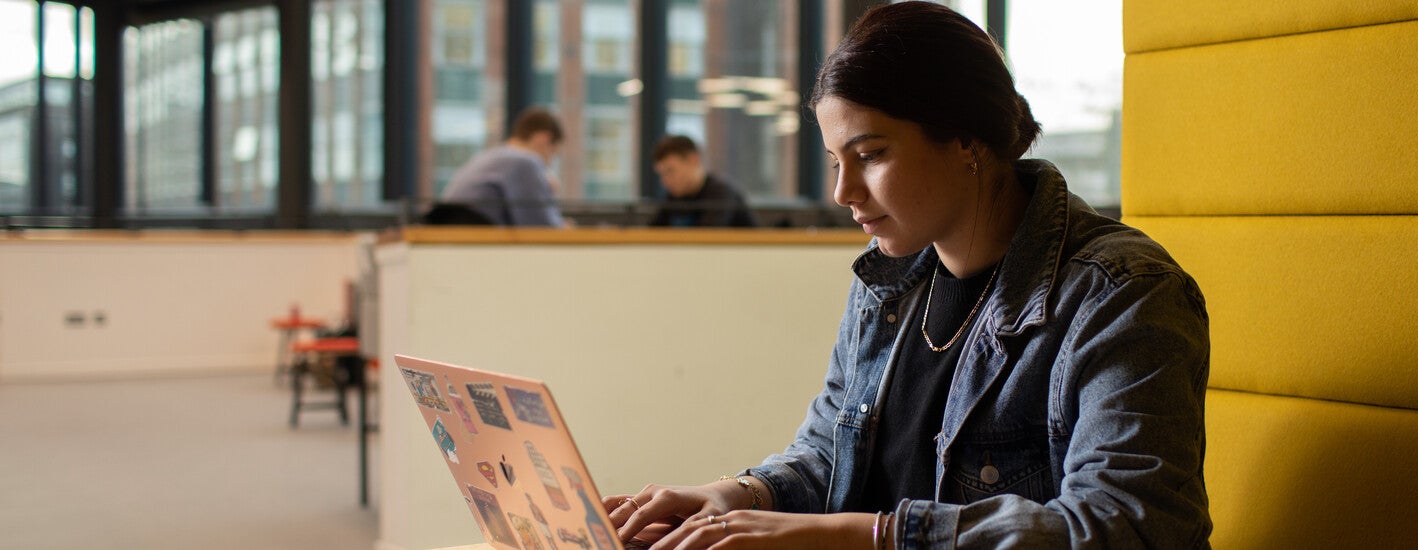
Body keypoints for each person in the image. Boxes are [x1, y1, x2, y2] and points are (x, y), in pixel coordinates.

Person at [605, 3, 1211, 549]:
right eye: (835, 161)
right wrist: (737, 496)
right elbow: (830, 452)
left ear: (966, 140)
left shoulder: (1123, 293)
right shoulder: (888, 284)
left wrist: (865, 535)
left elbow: (1126, 525)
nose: (844, 192)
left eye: (870, 155)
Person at [437, 107, 565, 226]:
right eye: (553, 153)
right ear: (544, 139)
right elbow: (540, 225)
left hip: (447, 227)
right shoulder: (526, 161)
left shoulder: (492, 155)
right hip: (473, 230)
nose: (549, 163)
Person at [649, 135, 757, 227]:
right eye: (661, 174)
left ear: (693, 160)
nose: (665, 180)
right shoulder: (673, 198)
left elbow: (705, 242)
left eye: (670, 171)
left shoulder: (720, 193)